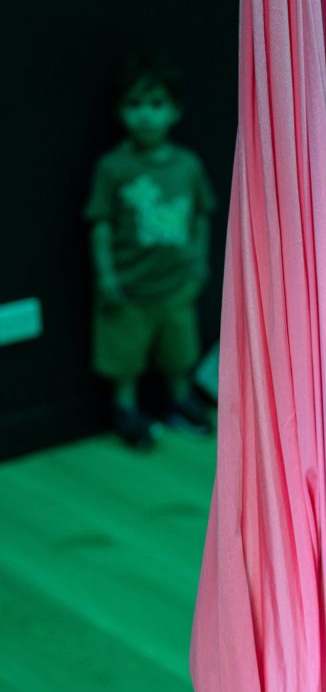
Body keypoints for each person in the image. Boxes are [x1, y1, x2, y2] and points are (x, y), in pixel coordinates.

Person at [85, 54, 216, 447]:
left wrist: (199, 265)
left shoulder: (187, 165)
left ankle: (179, 403)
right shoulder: (113, 167)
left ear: (174, 111)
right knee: (124, 357)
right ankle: (126, 409)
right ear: (120, 111)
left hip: (176, 286)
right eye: (135, 105)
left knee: (179, 352)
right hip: (128, 289)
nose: (145, 116)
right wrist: (105, 274)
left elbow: (201, 216)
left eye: (156, 104)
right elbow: (100, 222)